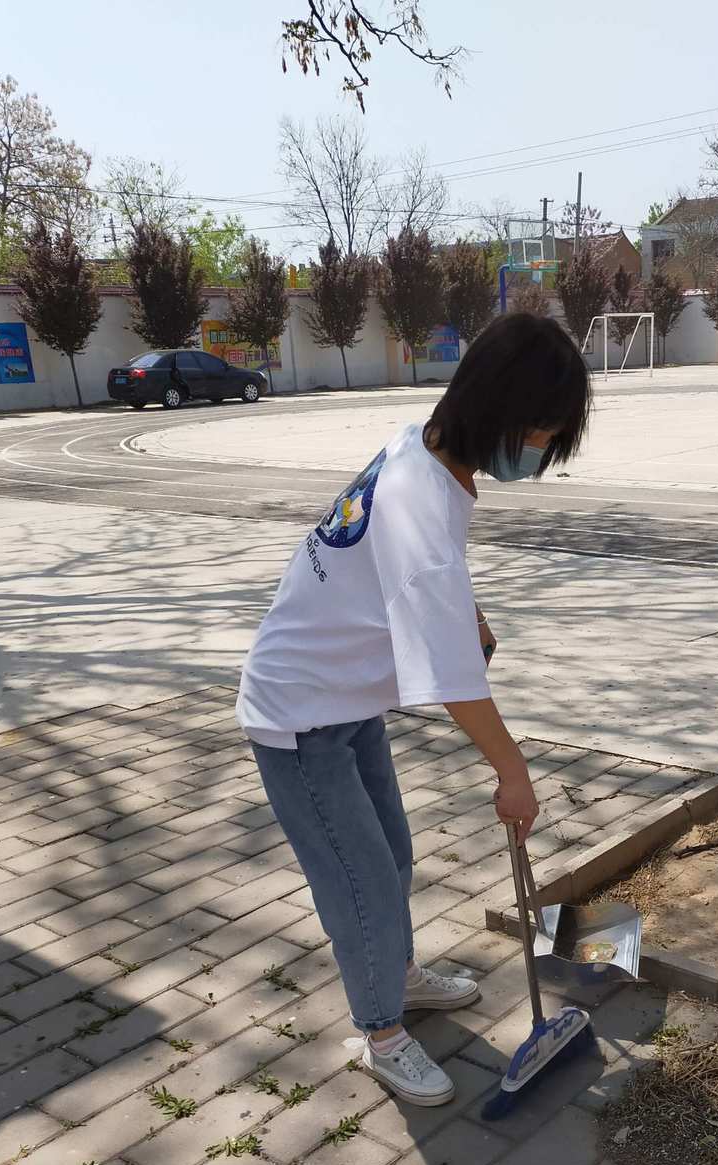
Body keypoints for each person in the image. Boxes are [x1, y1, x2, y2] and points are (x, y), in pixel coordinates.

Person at [236, 313, 592, 1108]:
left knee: (391, 852)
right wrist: (514, 773)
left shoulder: (425, 449)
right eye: (538, 430)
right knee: (359, 881)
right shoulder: (421, 508)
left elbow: (406, 578)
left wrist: (464, 613)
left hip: (344, 696)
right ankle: (381, 1033)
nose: (539, 449)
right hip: (298, 715)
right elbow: (457, 684)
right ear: (497, 411)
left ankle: (398, 976)